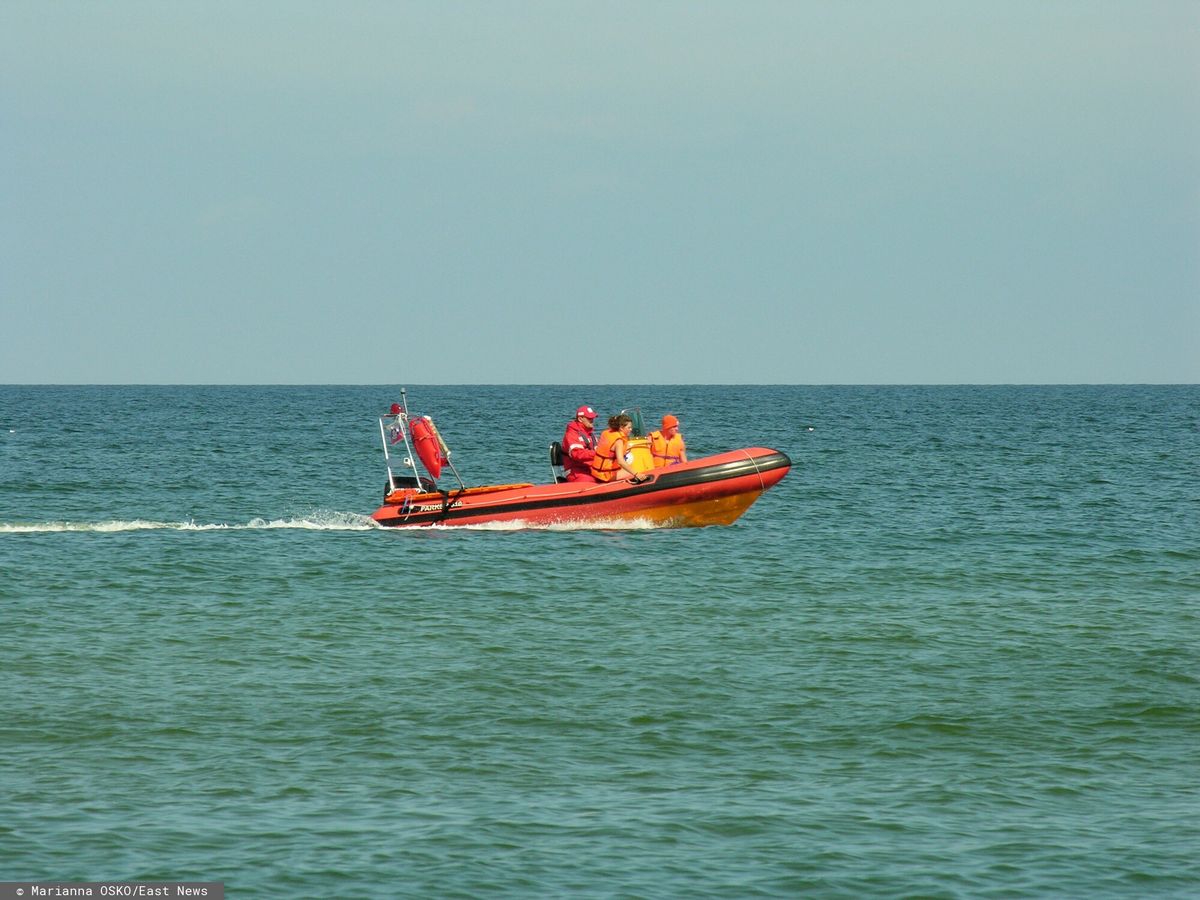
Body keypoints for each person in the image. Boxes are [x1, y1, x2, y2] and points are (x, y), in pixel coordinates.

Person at [590, 414, 646, 483]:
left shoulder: (607, 433)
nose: (631, 430)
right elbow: (621, 461)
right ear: (621, 428)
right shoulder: (618, 441)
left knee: (629, 469)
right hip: (605, 475)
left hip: (597, 472)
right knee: (633, 471)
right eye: (629, 428)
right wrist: (637, 474)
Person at [562, 404, 599, 482]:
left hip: (591, 468)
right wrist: (598, 453)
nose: (592, 420)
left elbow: (599, 448)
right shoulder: (571, 434)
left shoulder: (590, 434)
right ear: (580, 419)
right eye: (589, 418)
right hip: (576, 471)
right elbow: (577, 454)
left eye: (593, 418)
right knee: (590, 481)